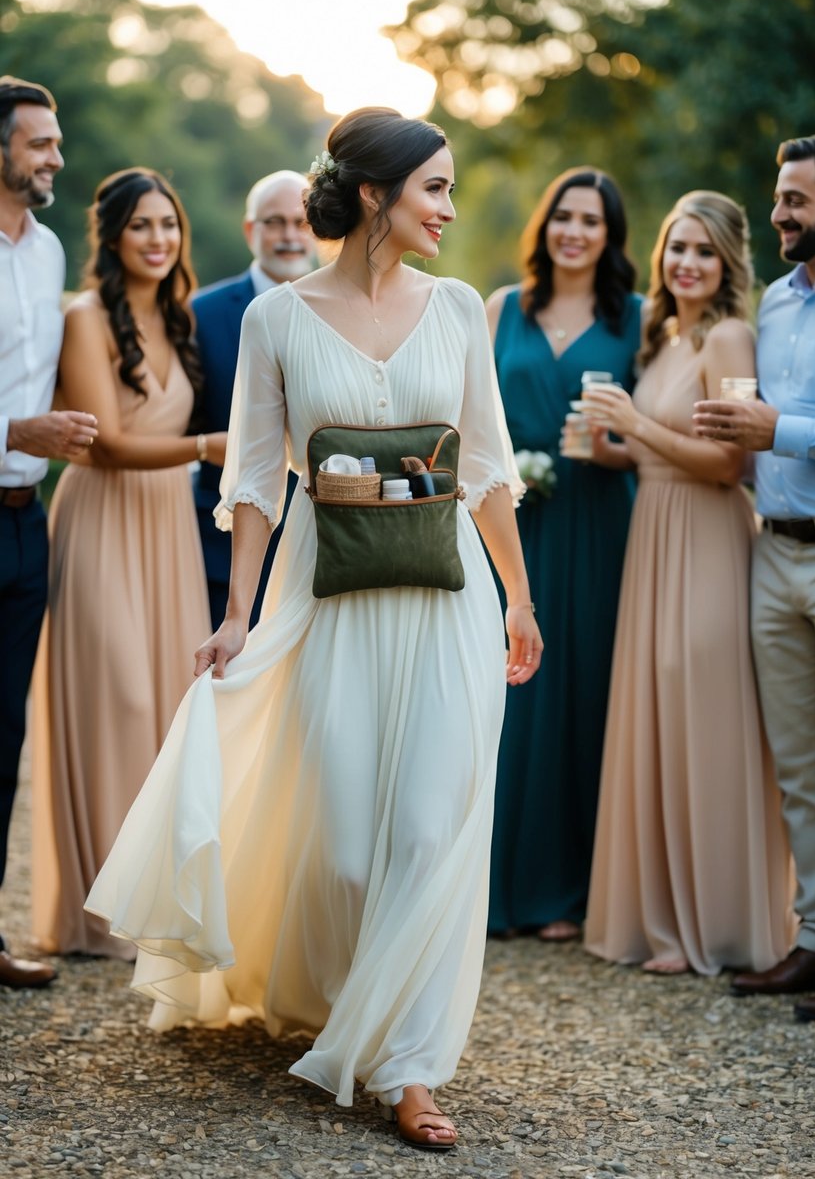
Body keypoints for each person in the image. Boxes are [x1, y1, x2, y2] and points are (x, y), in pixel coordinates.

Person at [86, 107, 542, 1151]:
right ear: (376, 195)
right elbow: (251, 480)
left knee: (430, 833)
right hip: (321, 598)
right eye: (435, 187)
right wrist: (236, 613)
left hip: (447, 600)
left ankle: (408, 1065)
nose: (450, 207)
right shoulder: (275, 320)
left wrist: (515, 595)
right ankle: (338, 996)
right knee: (341, 849)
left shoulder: (461, 306)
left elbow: (485, 467)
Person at [583, 190, 792, 975]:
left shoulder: (728, 338)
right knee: (660, 715)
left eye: (703, 250)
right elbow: (661, 452)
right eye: (677, 246)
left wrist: (635, 427)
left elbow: (730, 464)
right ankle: (663, 915)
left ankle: (720, 922)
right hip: (654, 539)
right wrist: (609, 449)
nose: (685, 263)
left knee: (704, 714)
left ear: (728, 261)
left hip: (706, 540)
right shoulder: (663, 338)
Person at [30, 168, 226, 958]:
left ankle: (156, 905)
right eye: (142, 226)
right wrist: (209, 447)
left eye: (168, 226)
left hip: (166, 524)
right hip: (103, 516)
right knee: (115, 696)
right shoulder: (85, 317)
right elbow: (104, 442)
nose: (158, 240)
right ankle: (98, 914)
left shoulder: (180, 318)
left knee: (164, 707)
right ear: (112, 236)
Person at [485, 168, 641, 941]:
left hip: (600, 520)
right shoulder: (500, 309)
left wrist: (612, 452)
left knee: (584, 691)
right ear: (543, 225)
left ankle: (567, 891)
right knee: (507, 696)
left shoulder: (638, 319)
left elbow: (650, 435)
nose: (573, 231)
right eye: (562, 217)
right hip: (512, 527)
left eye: (590, 220)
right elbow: (466, 418)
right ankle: (489, 884)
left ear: (610, 235)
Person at [694, 136, 815, 1021]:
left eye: (795, 200)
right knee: (802, 767)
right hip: (771, 551)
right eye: (778, 198)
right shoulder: (774, 304)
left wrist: (776, 429)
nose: (778, 214)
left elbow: (781, 427)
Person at [0, 76, 98, 989]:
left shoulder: (48, 252)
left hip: (27, 529)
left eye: (56, 142)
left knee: (3, 744)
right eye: (39, 143)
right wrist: (12, 433)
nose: (55, 158)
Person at [192, 171, 315, 629]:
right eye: (274, 222)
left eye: (300, 223)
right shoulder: (200, 314)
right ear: (250, 230)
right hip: (219, 549)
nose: (288, 236)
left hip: (320, 547)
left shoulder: (344, 311)